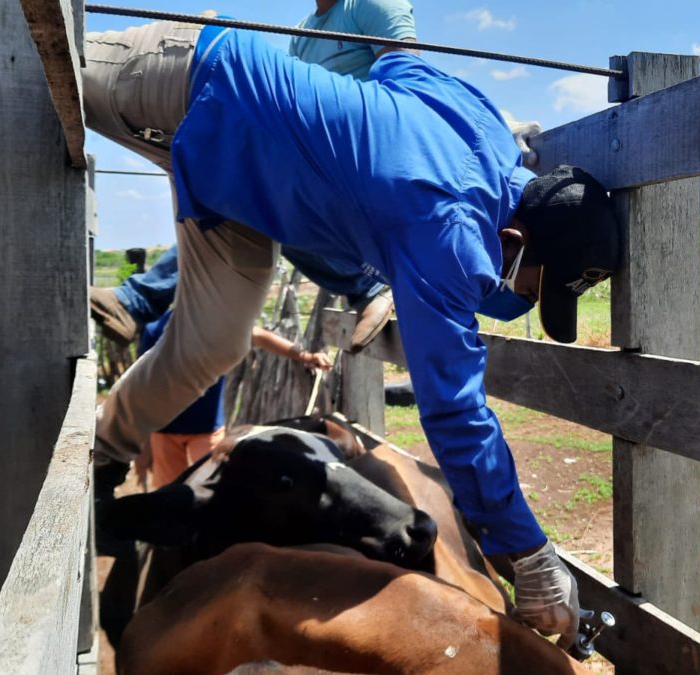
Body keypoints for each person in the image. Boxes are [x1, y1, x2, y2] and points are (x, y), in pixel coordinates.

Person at [84, 7, 621, 648]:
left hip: (240, 184)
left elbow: (396, 61)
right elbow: (454, 412)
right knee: (31, 71)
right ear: (512, 237)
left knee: (215, 343)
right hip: (190, 76)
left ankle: (101, 460)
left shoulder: (487, 135)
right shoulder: (445, 229)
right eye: (533, 286)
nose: (522, 300)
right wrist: (527, 551)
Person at [88, 0, 421, 350]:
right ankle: (135, 302)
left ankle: (370, 286)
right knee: (231, 180)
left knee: (263, 189)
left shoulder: (371, 5)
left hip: (359, 161)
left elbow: (410, 88)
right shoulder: (305, 29)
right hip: (310, 156)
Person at [134, 310, 332, 490]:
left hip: (204, 428)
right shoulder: (156, 331)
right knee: (172, 493)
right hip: (167, 429)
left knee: (213, 487)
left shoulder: (220, 324)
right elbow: (144, 386)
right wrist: (142, 448)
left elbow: (260, 337)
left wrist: (305, 356)